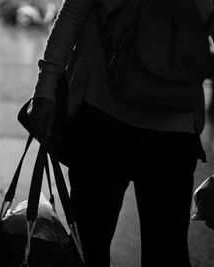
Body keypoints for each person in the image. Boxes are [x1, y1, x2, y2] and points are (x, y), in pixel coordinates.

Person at [27, 0, 214, 266]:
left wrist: (46, 88)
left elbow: (73, 14)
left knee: (91, 242)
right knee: (164, 247)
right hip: (169, 123)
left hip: (106, 118)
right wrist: (45, 86)